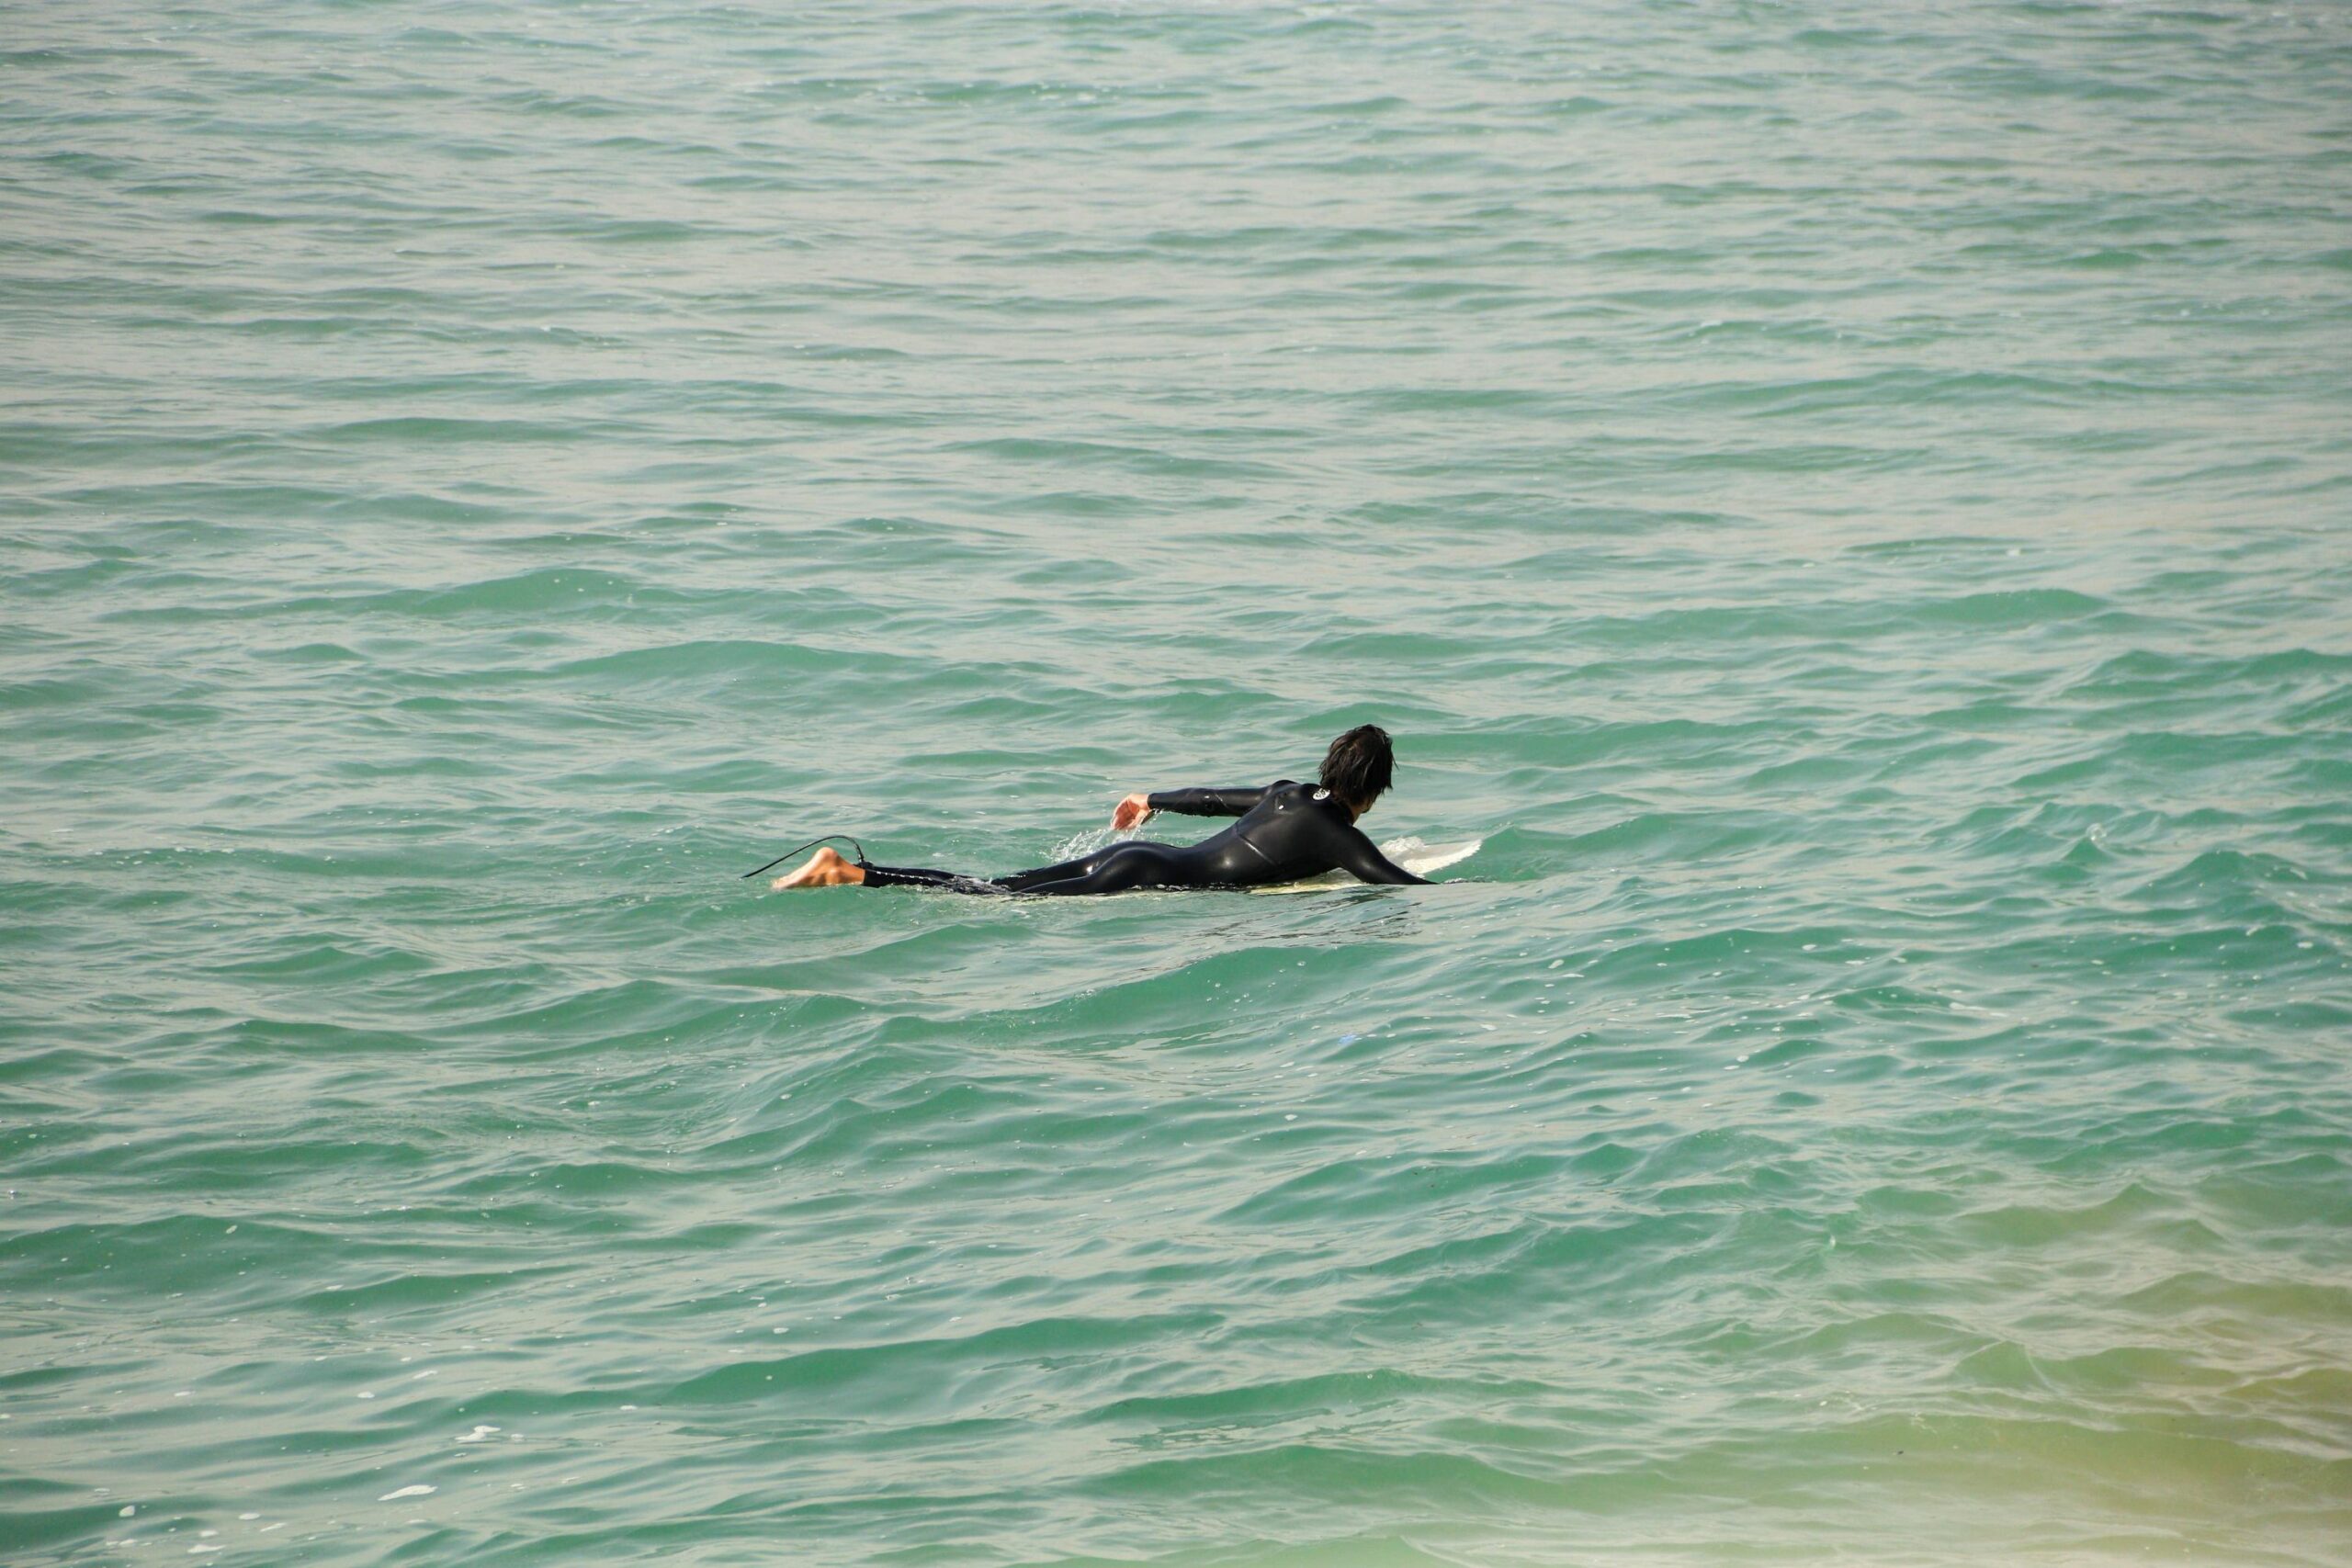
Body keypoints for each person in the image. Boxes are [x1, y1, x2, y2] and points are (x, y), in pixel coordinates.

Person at [769, 725, 1431, 895]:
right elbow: (1395, 883)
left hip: (1135, 856)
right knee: (992, 897)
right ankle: (849, 873)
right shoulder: (1340, 834)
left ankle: (856, 870)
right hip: (1145, 877)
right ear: (1371, 789)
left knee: (997, 886)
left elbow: (1211, 801)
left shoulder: (1287, 792)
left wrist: (1150, 799)